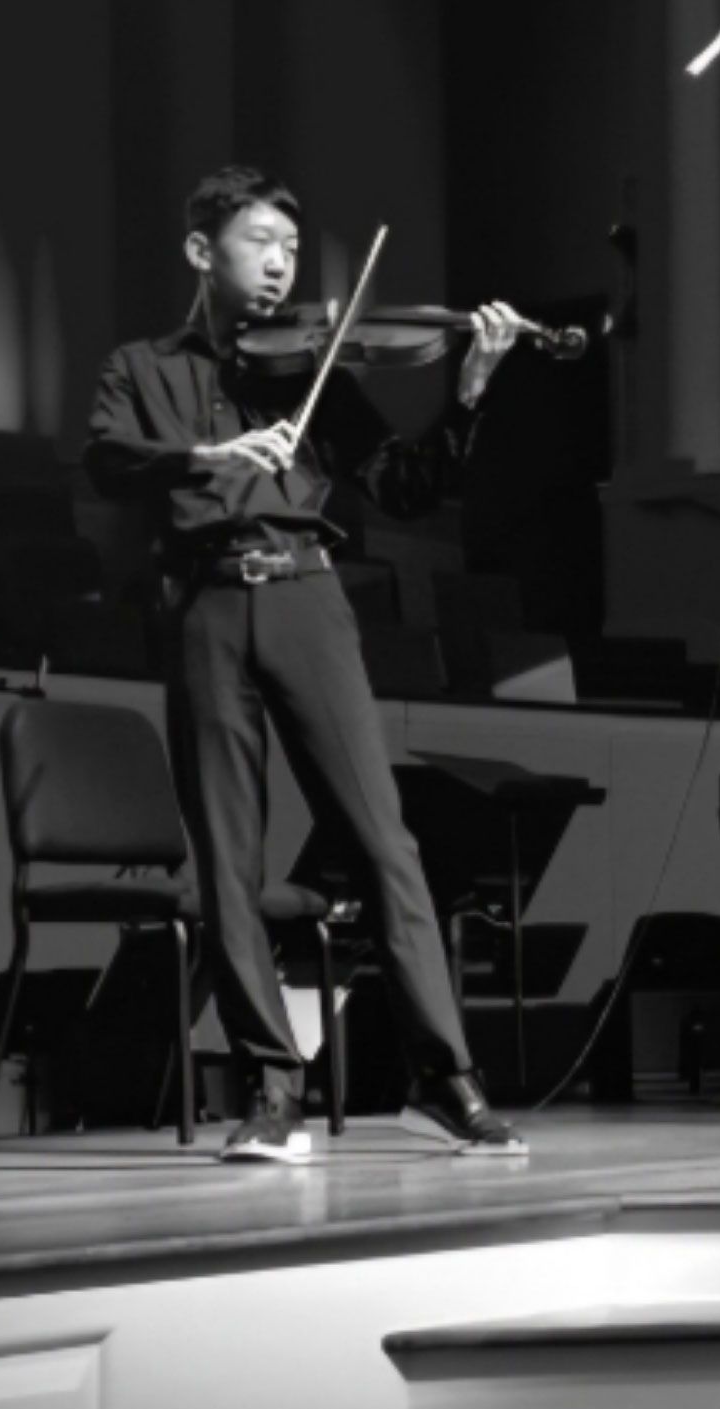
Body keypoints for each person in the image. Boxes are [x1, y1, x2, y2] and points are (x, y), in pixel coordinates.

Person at [85, 164, 525, 1163]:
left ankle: (443, 1079)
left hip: (307, 597)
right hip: (202, 604)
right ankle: (273, 1090)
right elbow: (108, 461)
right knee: (229, 862)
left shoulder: (310, 373)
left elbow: (407, 490)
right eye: (259, 244)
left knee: (383, 844)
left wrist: (466, 393)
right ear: (203, 253)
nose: (281, 264)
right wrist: (208, 456)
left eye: (290, 247)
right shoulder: (140, 367)